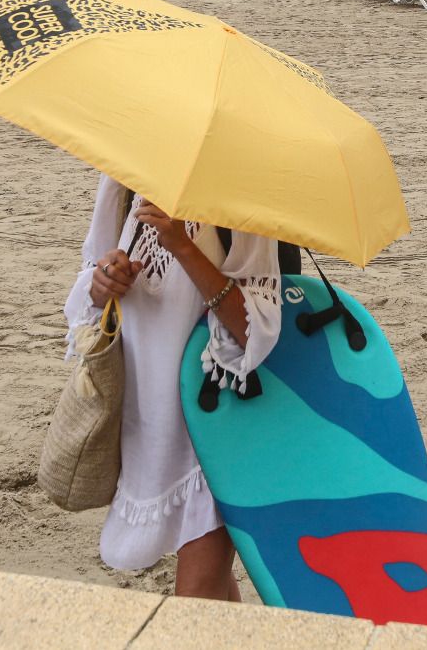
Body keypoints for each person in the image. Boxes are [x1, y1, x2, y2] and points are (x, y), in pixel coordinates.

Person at [67, 177, 281, 600]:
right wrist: (104, 281)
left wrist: (183, 247)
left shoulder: (242, 195)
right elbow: (88, 288)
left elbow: (255, 329)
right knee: (211, 594)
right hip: (147, 423)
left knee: (196, 596)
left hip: (215, 423)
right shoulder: (124, 178)